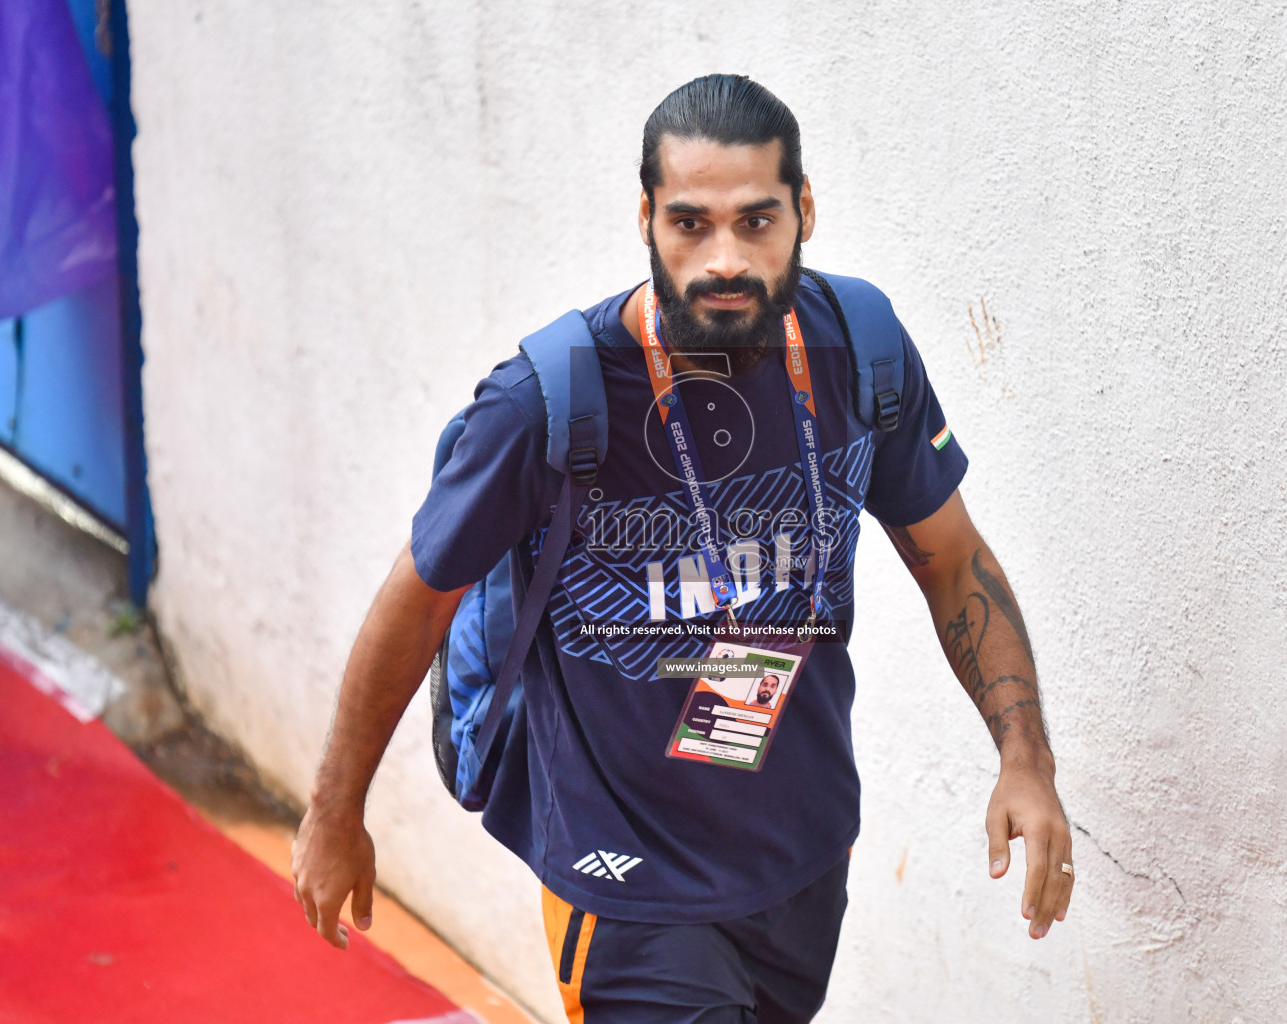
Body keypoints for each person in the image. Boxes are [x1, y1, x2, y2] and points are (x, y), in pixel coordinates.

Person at [292, 74, 1072, 1024]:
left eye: (756, 220)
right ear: (647, 220)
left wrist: (1024, 756)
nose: (723, 258)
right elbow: (418, 599)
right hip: (627, 878)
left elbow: (951, 560)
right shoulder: (547, 400)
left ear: (805, 211)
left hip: (803, 855)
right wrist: (336, 810)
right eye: (690, 224)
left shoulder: (859, 350)